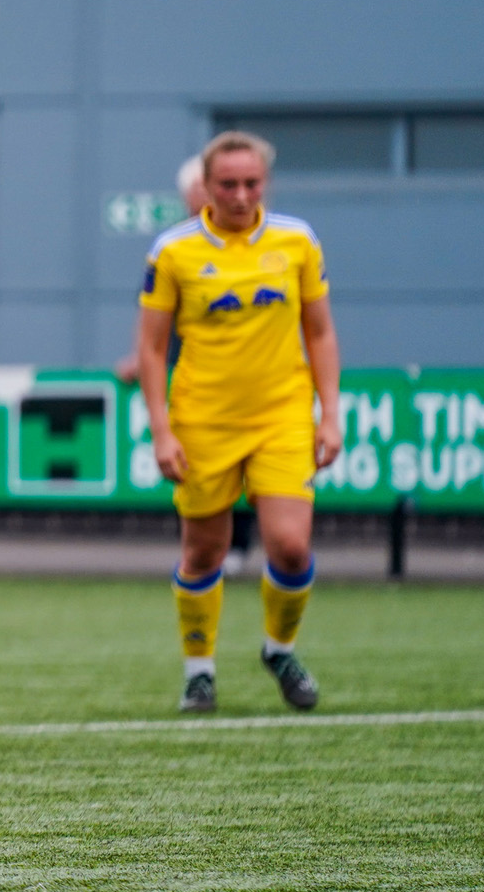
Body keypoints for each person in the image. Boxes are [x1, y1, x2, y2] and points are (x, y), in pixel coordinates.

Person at [136, 131, 342, 714]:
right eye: (227, 183)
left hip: (282, 414)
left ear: (265, 183)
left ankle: (279, 650)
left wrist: (331, 414)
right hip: (203, 420)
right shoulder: (173, 251)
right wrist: (162, 428)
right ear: (206, 184)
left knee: (291, 546)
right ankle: (198, 673)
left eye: (251, 183)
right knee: (205, 553)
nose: (240, 194)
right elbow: (151, 349)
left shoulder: (296, 240)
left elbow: (320, 330)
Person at [117, 155, 259, 576]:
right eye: (198, 190)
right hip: (191, 378)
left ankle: (239, 544)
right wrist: (139, 360)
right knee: (196, 468)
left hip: (247, 379)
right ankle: (203, 549)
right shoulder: (174, 248)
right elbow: (151, 321)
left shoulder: (268, 242)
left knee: (250, 464)